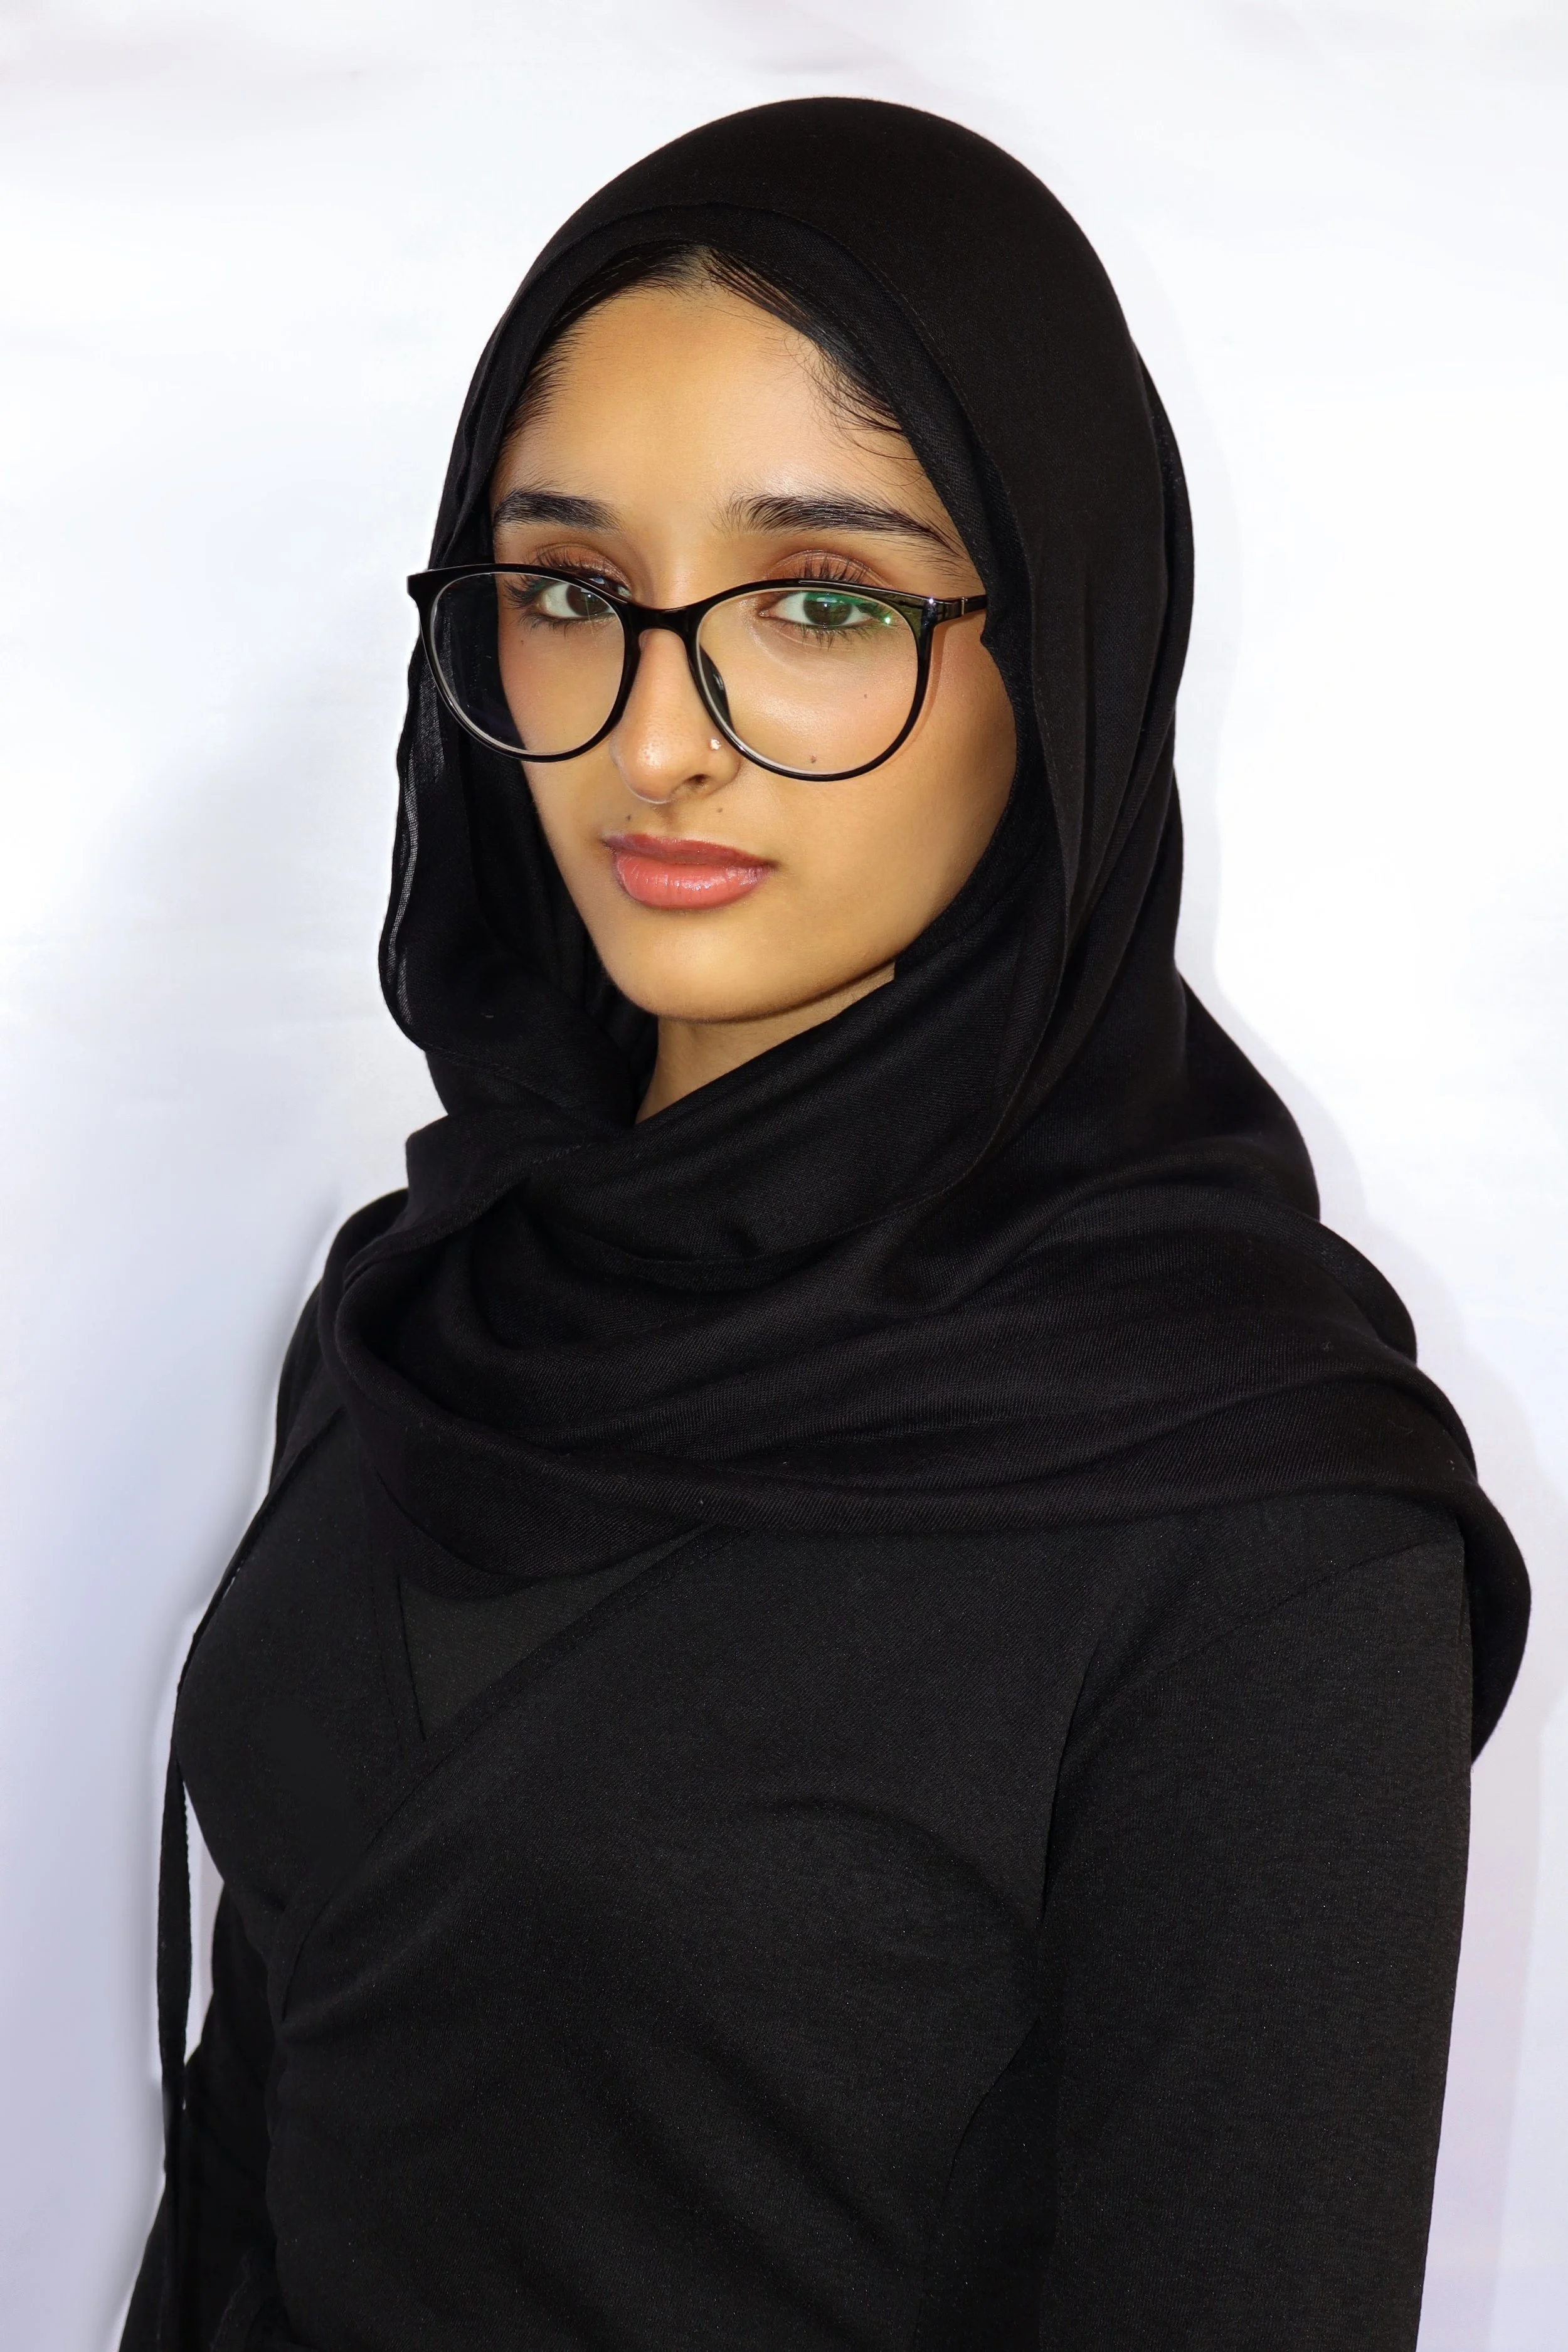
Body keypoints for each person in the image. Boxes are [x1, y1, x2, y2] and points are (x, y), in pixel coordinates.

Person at [122, 97, 1528, 2352]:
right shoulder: (420, 1313)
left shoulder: (1252, 1518)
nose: (652, 741)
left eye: (821, 600)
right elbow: (258, 2134)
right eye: (568, 590)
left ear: (1060, 654)